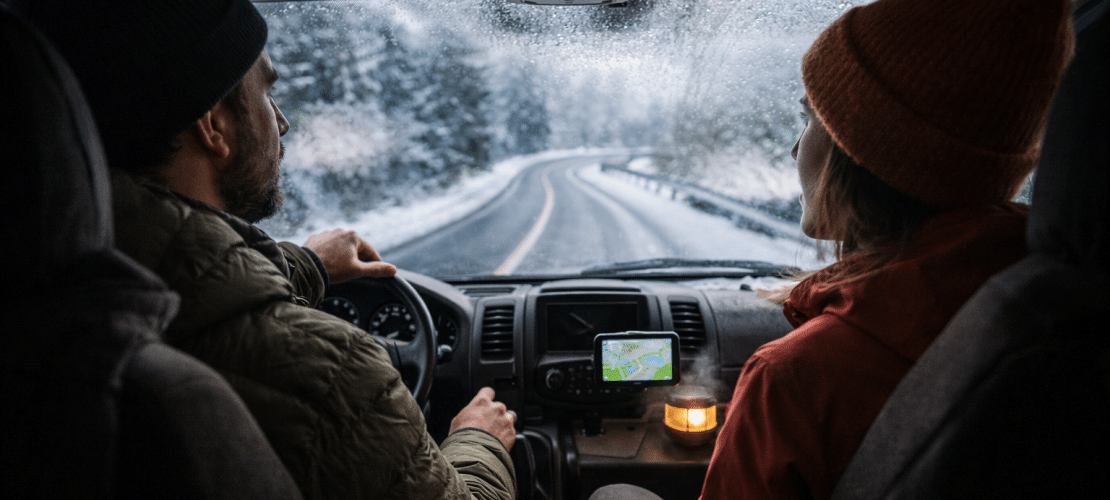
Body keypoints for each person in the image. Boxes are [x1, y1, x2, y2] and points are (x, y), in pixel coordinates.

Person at [11, 1, 517, 499]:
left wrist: (308, 264)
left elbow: (189, 281)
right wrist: (478, 440)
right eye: (266, 94)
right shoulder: (332, 375)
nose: (282, 123)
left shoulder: (53, 306)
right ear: (214, 125)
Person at [698, 0, 1075, 498]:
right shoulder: (1062, 321)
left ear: (856, 151)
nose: (794, 150)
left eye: (808, 119)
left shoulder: (796, 379)